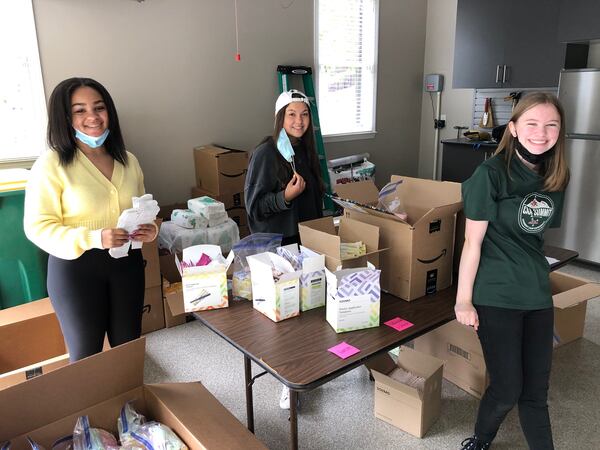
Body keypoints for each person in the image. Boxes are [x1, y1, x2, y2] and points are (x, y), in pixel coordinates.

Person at [456, 92, 569, 450]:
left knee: (536, 393)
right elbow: (472, 243)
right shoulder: (490, 175)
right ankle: (481, 439)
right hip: (496, 294)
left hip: (536, 293)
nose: (542, 132)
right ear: (515, 128)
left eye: (551, 125)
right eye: (532, 123)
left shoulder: (556, 176)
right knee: (507, 389)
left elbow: (534, 238)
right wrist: (463, 301)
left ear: (559, 131)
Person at [24, 77, 158, 362]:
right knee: (87, 356)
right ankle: (87, 409)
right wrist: (93, 238)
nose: (93, 117)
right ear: (64, 117)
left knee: (128, 348)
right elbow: (37, 227)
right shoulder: (51, 164)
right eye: (80, 110)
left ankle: (127, 406)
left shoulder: (128, 160)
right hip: (77, 271)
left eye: (99, 108)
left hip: (127, 265)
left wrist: (150, 229)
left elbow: (142, 206)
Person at [244, 89, 325, 408]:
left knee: (304, 316)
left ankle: (303, 371)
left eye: (304, 114)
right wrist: (285, 198)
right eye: (291, 114)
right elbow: (254, 208)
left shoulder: (303, 151)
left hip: (304, 244)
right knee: (282, 320)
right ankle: (285, 383)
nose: (299, 121)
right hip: (277, 249)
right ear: (280, 118)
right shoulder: (267, 152)